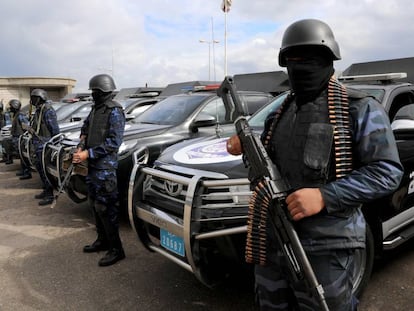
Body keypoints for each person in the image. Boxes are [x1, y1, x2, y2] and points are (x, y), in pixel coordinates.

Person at [252, 19, 404, 310]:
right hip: (275, 242)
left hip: (328, 247)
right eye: (293, 60)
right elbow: (265, 167)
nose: (300, 67)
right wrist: (245, 149)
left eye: (310, 59)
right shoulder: (280, 114)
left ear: (328, 60)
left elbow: (387, 172)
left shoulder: (359, 107)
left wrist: (325, 196)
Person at [72, 74, 126, 267]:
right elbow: (86, 127)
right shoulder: (96, 109)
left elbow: (114, 142)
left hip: (105, 169)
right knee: (94, 205)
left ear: (103, 91)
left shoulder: (114, 111)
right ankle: (102, 241)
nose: (92, 94)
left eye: (95, 91)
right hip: (93, 168)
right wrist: (81, 143)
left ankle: (116, 250)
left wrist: (88, 154)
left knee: (107, 209)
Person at [30, 89, 60, 205]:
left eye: (34, 98)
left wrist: (54, 144)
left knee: (45, 171)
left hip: (45, 146)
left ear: (41, 98)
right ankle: (46, 190)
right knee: (40, 169)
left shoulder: (47, 110)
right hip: (38, 145)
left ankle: (50, 194)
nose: (32, 100)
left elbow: (54, 129)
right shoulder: (38, 110)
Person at [2, 99, 32, 179]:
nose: (10, 108)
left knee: (23, 157)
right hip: (16, 138)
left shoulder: (20, 115)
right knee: (21, 156)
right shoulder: (16, 115)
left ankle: (27, 172)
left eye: (11, 106)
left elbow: (26, 126)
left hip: (20, 139)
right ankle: (23, 170)